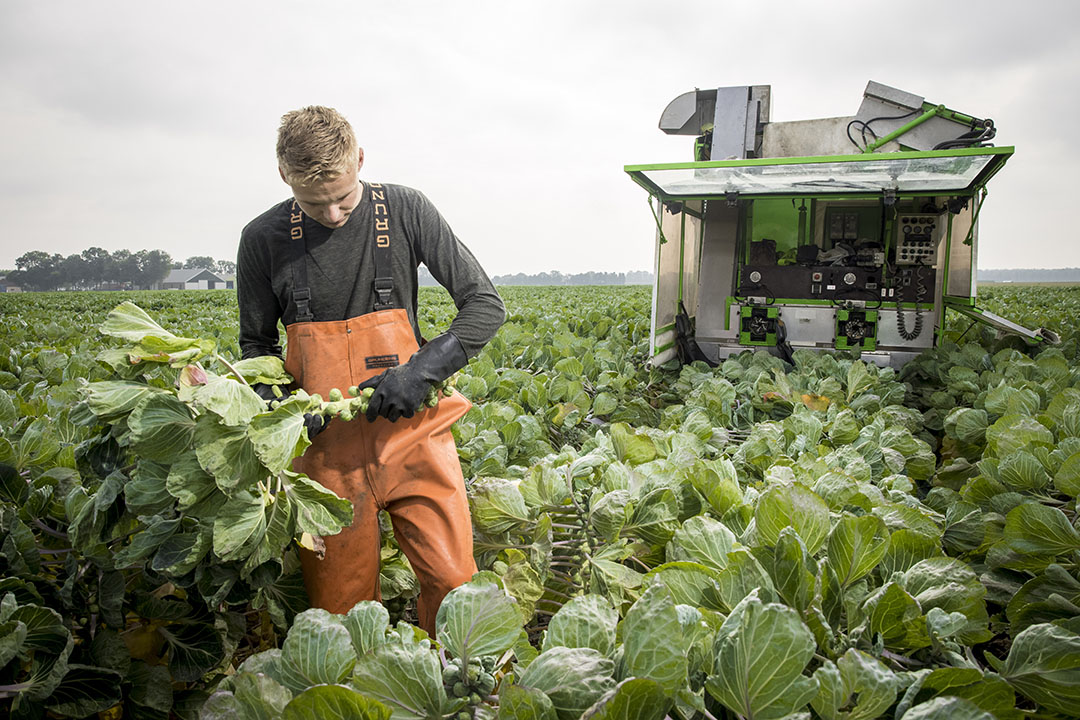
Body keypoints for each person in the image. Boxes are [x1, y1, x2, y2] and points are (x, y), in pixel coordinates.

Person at [236, 105, 505, 634]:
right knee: (342, 611)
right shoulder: (261, 238)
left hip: (411, 435)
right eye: (316, 204)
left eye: (343, 198)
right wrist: (279, 405)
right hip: (324, 457)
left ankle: (452, 693)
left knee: (455, 583)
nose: (334, 215)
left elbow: (484, 305)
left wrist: (423, 371)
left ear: (359, 159)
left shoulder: (406, 209)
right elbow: (255, 345)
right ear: (284, 177)